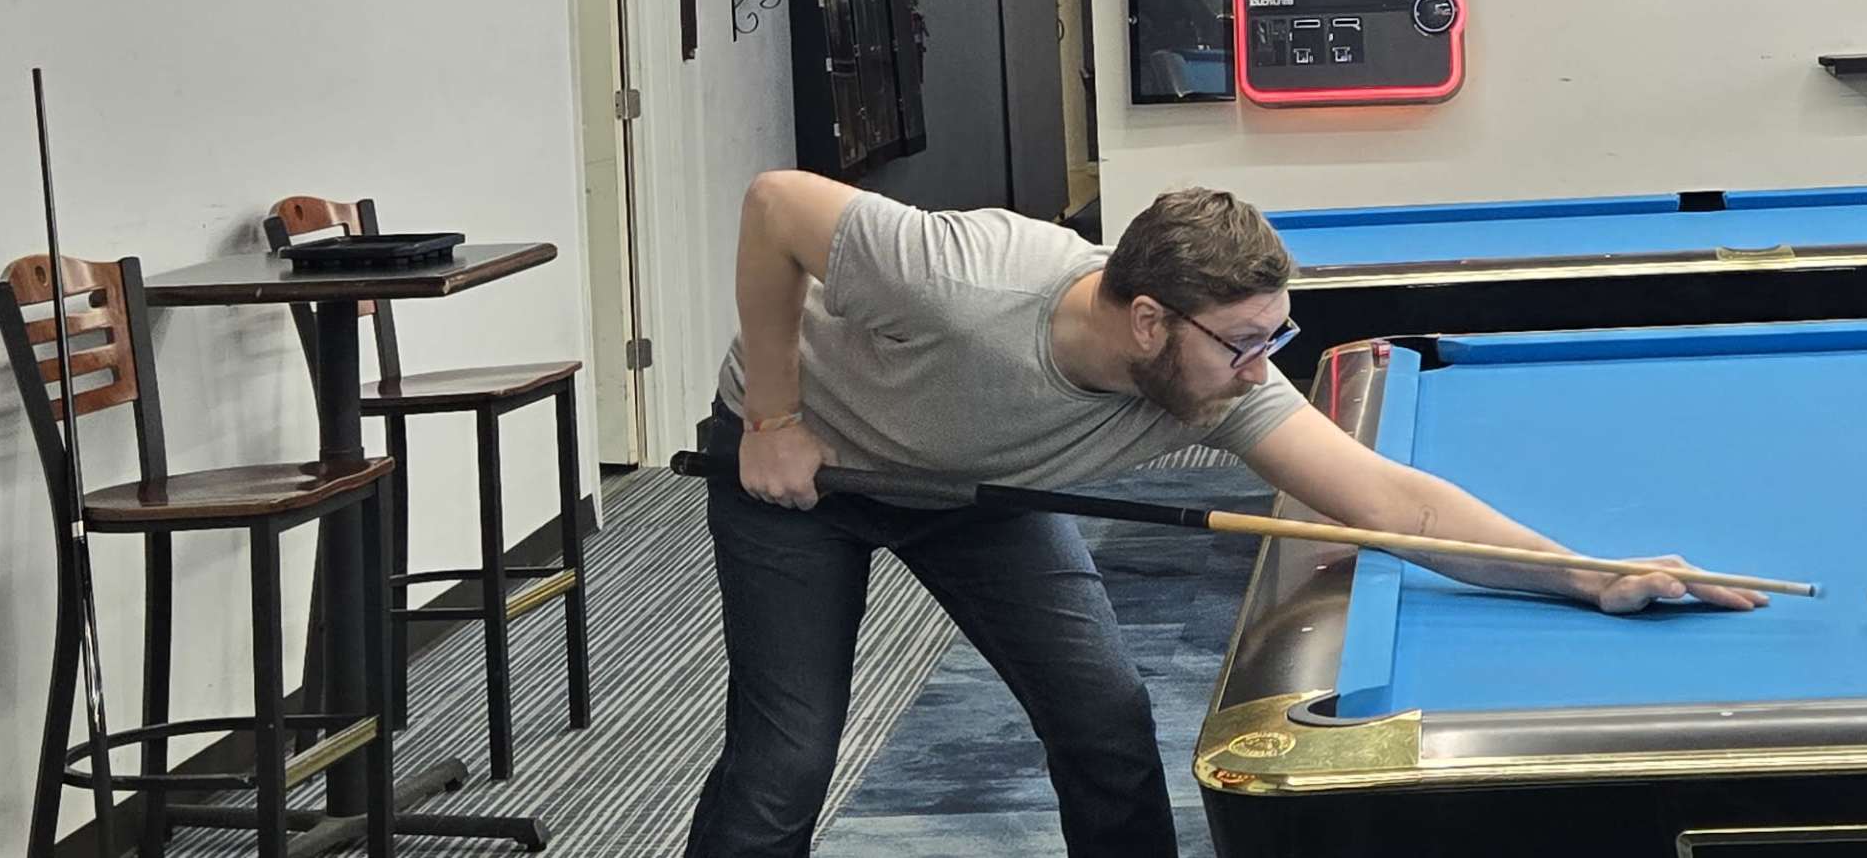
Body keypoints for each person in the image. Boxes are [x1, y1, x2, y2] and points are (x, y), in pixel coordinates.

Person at [691, 174, 1764, 857]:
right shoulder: (967, 280)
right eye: (1243, 340)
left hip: (979, 495)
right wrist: (775, 415)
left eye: (1275, 338)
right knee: (785, 764)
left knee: (1107, 717)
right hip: (803, 478)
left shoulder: (1223, 384)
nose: (1261, 368)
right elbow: (775, 206)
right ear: (1149, 319)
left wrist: (1582, 570)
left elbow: (1395, 504)